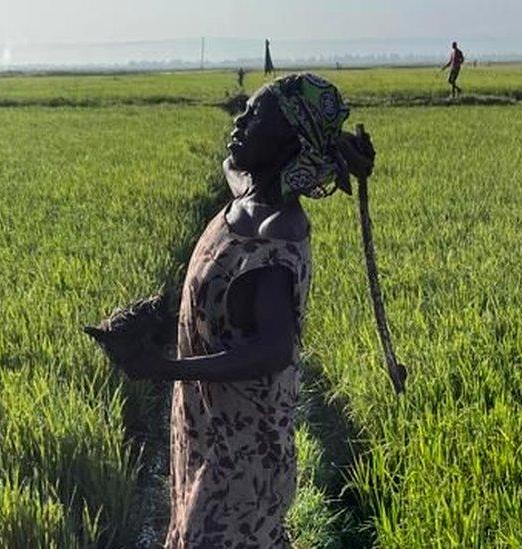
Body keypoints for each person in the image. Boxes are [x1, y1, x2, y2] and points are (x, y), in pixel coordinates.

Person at [107, 73, 375, 547]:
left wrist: (164, 368)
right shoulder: (245, 196)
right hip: (210, 428)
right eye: (245, 111)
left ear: (287, 139)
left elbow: (273, 351)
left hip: (243, 451)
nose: (241, 121)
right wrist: (328, 160)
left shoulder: (277, 231)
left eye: (257, 117)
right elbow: (233, 163)